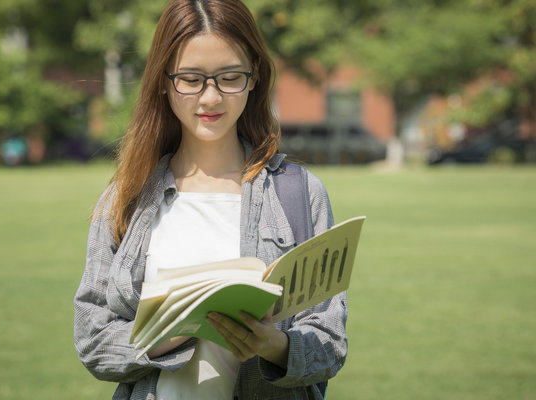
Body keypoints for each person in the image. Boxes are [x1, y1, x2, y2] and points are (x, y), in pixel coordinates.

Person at [73, 1, 348, 399]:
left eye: (230, 77)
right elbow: (91, 338)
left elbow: (331, 343)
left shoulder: (301, 193)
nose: (211, 98)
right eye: (191, 78)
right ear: (164, 82)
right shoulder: (126, 197)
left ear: (254, 77)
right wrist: (163, 338)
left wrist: (273, 346)